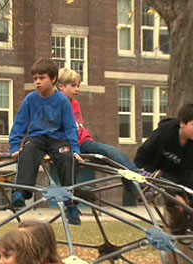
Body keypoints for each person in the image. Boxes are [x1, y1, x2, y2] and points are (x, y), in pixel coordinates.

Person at [9, 58, 83, 225]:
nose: (37, 82)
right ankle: (20, 192)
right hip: (37, 138)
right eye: (35, 78)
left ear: (53, 79)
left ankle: (70, 202)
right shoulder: (31, 99)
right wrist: (15, 146)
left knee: (67, 158)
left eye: (42, 78)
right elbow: (20, 123)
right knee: (27, 152)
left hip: (58, 138)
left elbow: (71, 127)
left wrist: (75, 150)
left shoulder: (62, 101)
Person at [56, 68, 138, 203]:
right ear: (61, 87)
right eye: (73, 86)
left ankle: (135, 180)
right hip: (68, 146)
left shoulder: (75, 103)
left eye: (78, 85)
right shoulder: (55, 105)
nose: (77, 89)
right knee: (70, 165)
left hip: (83, 142)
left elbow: (79, 126)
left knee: (111, 152)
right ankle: (73, 196)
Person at [134, 103, 193, 235]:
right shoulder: (164, 132)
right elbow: (143, 152)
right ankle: (178, 228)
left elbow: (188, 171)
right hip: (156, 171)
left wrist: (182, 194)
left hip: (178, 173)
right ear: (183, 123)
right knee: (174, 199)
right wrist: (135, 175)